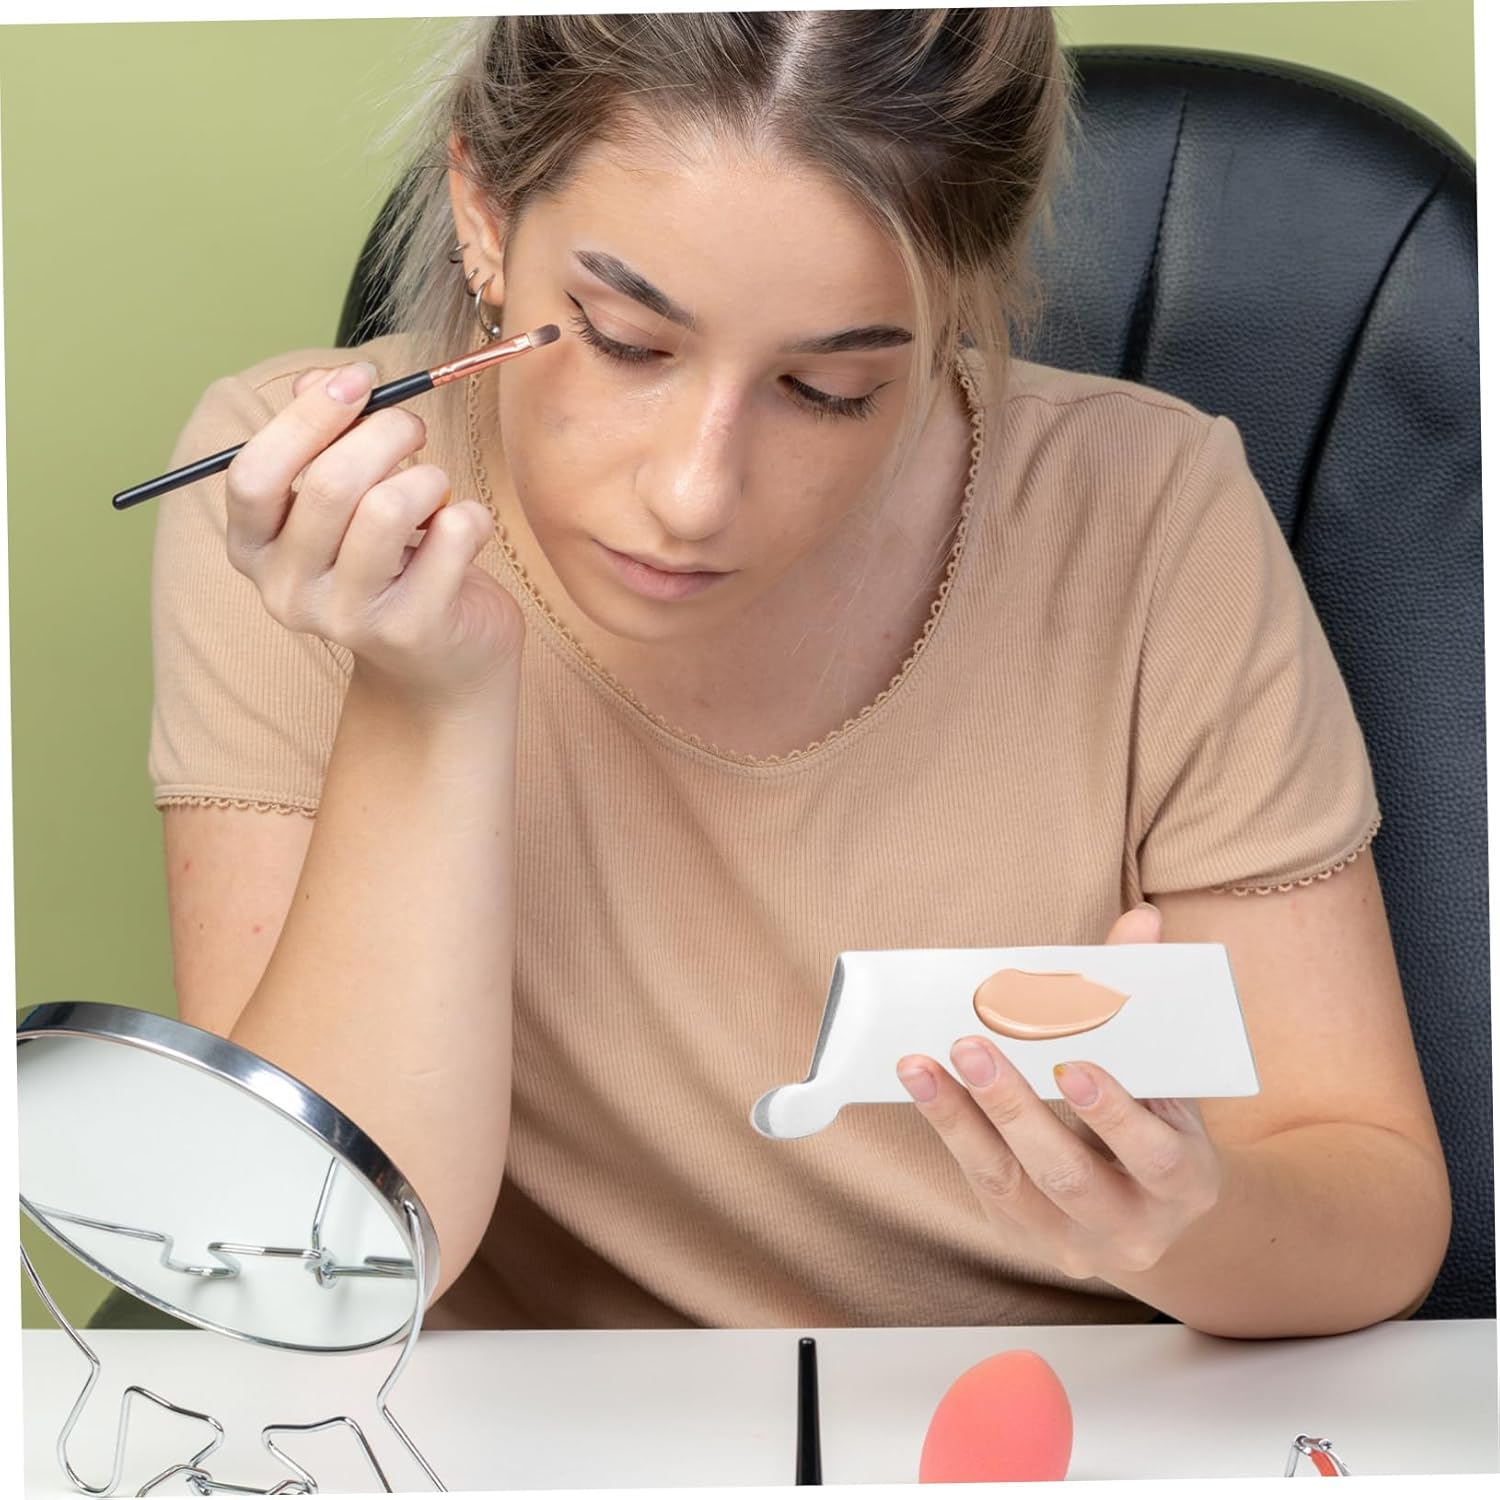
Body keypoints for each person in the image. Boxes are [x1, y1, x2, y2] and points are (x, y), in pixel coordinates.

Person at [148, 10, 1449, 1338]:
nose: (695, 494)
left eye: (828, 388)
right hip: (563, 1431)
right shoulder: (306, 501)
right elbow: (303, 1265)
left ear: (961, 307)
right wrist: (424, 699)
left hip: (1044, 1415)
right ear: (483, 209)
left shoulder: (1153, 514)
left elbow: (1377, 1209)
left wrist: (1185, 1221)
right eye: (625, 341)